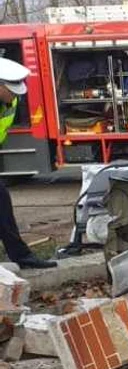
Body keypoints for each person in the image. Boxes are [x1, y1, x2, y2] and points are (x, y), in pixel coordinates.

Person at [0, 58, 57, 269]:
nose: (16, 95)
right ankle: (22, 256)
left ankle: (22, 257)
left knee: (2, 203)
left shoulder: (10, 101)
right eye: (11, 89)